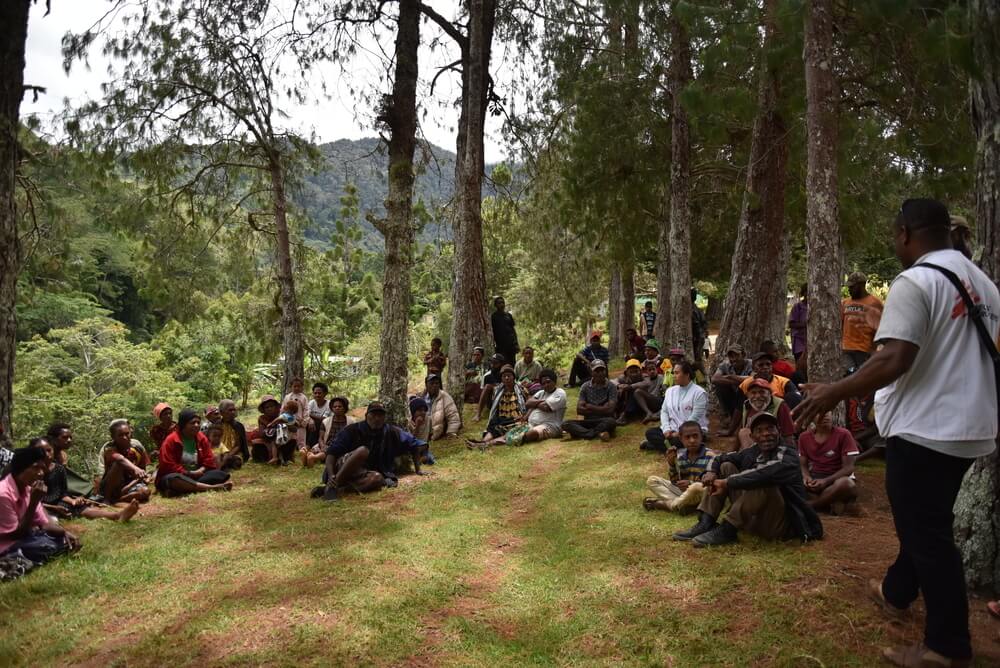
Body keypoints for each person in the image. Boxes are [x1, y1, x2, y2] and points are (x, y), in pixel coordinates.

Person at [793, 198, 999, 667]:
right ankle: (896, 589)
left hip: (926, 427)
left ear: (905, 232)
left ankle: (948, 648)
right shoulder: (982, 283)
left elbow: (894, 359)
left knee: (927, 533)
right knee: (923, 520)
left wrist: (833, 393)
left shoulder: (917, 279)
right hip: (969, 426)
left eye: (894, 235)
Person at [673, 412, 823, 548]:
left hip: (780, 524)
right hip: (753, 519)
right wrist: (711, 472)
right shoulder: (752, 452)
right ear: (753, 437)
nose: (766, 434)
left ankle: (728, 530)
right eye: (759, 430)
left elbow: (765, 473)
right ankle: (706, 521)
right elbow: (720, 457)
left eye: (770, 428)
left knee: (762, 481)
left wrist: (726, 482)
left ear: (778, 432)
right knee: (725, 466)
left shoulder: (788, 455)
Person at [320, 402, 429, 502]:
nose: (377, 418)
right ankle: (332, 487)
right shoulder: (352, 430)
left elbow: (415, 444)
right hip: (341, 468)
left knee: (377, 479)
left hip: (362, 473)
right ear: (367, 416)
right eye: (374, 415)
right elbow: (331, 453)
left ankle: (337, 489)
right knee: (362, 451)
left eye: (380, 415)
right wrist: (331, 475)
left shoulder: (390, 431)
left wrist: (418, 470)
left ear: (384, 418)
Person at [0, 446, 80, 565]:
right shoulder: (3, 494)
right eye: (36, 468)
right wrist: (33, 502)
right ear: (20, 469)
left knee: (61, 540)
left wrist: (63, 532)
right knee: (46, 546)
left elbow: (45, 523)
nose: (41, 473)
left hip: (26, 537)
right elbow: (16, 535)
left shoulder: (27, 489)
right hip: (7, 544)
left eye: (43, 468)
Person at [39, 435, 141, 522]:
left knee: (80, 508)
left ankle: (117, 516)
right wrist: (53, 508)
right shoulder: (32, 471)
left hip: (59, 504)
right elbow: (30, 500)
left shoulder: (59, 468)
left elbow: (62, 494)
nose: (46, 454)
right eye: (41, 451)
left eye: (49, 450)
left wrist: (73, 501)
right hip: (39, 506)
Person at [156, 409, 233, 496]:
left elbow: (208, 458)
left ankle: (184, 489)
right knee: (173, 479)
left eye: (198, 422)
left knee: (219, 474)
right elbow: (168, 465)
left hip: (198, 475)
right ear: (183, 425)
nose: (196, 425)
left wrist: (201, 470)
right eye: (192, 423)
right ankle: (213, 487)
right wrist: (189, 473)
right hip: (178, 475)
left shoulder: (201, 438)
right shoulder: (171, 440)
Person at [644, 421, 717, 512]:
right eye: (687, 437)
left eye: (695, 436)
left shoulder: (711, 455)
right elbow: (675, 481)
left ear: (701, 436)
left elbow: (712, 482)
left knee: (696, 487)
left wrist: (690, 483)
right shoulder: (680, 457)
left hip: (702, 494)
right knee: (652, 480)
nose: (692, 440)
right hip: (685, 493)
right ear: (681, 439)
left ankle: (667, 505)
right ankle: (685, 505)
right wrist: (672, 465)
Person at [798, 412, 860, 512]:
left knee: (846, 484)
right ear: (811, 417)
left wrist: (826, 481)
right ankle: (828, 502)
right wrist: (806, 477)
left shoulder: (843, 434)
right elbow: (803, 465)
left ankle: (813, 504)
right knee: (791, 479)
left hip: (836, 479)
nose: (825, 415)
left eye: (828, 412)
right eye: (820, 413)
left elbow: (849, 468)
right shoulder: (804, 437)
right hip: (815, 478)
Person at [641, 361, 708, 453]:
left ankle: (654, 445)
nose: (673, 376)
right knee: (650, 433)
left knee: (683, 439)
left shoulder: (699, 393)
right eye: (673, 373)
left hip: (691, 431)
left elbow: (694, 418)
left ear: (687, 375)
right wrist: (666, 429)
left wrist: (679, 433)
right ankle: (668, 445)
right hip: (672, 431)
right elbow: (664, 412)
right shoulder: (670, 391)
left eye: (676, 373)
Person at [466, 365, 528, 448]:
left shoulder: (521, 390)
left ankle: (484, 444)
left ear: (513, 377)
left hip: (515, 419)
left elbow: (528, 404)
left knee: (510, 429)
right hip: (501, 418)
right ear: (501, 378)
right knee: (494, 426)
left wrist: (525, 416)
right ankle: (483, 441)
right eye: (504, 376)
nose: (506, 378)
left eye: (509, 376)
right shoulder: (498, 390)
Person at [562, 360, 618, 441]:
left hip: (603, 420)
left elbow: (610, 410)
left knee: (611, 422)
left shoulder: (611, 386)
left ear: (605, 371)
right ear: (591, 372)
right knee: (566, 424)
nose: (600, 373)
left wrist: (590, 407)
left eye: (602, 370)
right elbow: (580, 410)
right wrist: (603, 408)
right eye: (596, 371)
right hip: (588, 421)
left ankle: (583, 433)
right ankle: (595, 433)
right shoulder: (585, 386)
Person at [99, 419, 152, 504]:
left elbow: (142, 472)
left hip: (130, 483)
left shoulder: (137, 447)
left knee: (145, 492)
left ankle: (119, 499)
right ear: (113, 437)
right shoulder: (109, 448)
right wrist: (135, 468)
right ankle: (107, 498)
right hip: (111, 484)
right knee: (118, 465)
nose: (125, 437)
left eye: (127, 434)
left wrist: (127, 488)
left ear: (131, 433)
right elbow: (119, 459)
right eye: (120, 435)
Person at [736, 378, 796, 451]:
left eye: (762, 392)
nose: (757, 396)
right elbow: (742, 429)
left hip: (775, 446)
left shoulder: (780, 405)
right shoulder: (747, 405)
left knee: (745, 433)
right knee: (744, 432)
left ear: (770, 394)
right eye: (753, 393)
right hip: (753, 446)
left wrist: (789, 454)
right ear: (748, 395)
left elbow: (788, 435)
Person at [841, 271, 883, 373]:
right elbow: (840, 324)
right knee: (848, 376)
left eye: (852, 287)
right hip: (846, 350)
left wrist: (875, 348)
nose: (849, 289)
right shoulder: (845, 302)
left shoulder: (875, 303)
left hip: (864, 351)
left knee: (863, 380)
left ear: (861, 285)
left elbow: (881, 327)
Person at [736, 352, 801, 409]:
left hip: (780, 414)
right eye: (761, 365)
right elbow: (739, 407)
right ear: (754, 368)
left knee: (793, 396)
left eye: (768, 364)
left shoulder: (784, 382)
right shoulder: (746, 384)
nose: (765, 367)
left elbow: (797, 398)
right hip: (756, 416)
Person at [306, 396, 358, 467]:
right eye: (335, 406)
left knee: (337, 453)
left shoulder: (351, 421)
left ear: (345, 408)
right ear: (332, 408)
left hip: (343, 446)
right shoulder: (326, 421)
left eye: (340, 406)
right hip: (327, 444)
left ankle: (314, 457)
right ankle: (311, 456)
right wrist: (323, 446)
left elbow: (354, 438)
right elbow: (321, 438)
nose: (337, 408)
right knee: (320, 449)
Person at [711, 344, 753, 429]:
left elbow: (753, 378)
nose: (733, 359)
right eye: (731, 356)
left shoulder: (751, 363)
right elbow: (714, 379)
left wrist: (732, 377)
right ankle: (729, 415)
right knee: (720, 387)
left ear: (743, 355)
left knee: (745, 388)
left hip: (747, 396)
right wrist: (737, 382)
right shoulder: (725, 364)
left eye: (737, 355)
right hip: (732, 395)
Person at [251, 395, 296, 464]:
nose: (270, 409)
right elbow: (262, 433)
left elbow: (294, 429)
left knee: (293, 440)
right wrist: (272, 432)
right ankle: (273, 457)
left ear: (276, 407)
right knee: (257, 445)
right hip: (268, 440)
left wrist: (286, 424)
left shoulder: (283, 416)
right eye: (267, 407)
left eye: (272, 406)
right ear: (263, 409)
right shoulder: (262, 418)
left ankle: (284, 457)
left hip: (283, 439)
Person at [613, 358, 655, 424]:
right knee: (619, 390)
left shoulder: (644, 376)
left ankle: (626, 414)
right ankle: (618, 412)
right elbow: (612, 381)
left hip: (642, 403)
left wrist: (631, 386)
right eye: (631, 372)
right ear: (626, 372)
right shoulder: (623, 377)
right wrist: (619, 385)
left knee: (632, 389)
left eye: (636, 371)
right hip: (627, 402)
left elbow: (647, 383)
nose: (634, 374)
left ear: (640, 371)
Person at [422, 374, 462, 440]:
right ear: (426, 385)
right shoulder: (421, 397)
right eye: (431, 383)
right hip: (422, 431)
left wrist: (451, 432)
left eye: (437, 383)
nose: (434, 385)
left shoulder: (445, 397)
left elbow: (453, 416)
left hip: (435, 432)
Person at [217, 399, 250, 468]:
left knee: (236, 461)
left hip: (234, 453)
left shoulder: (238, 426)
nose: (233, 412)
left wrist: (229, 455)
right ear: (221, 412)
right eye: (230, 410)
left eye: (234, 410)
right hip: (220, 452)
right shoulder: (217, 425)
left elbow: (238, 445)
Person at [474, 354, 506, 421]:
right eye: (492, 362)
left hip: (505, 400)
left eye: (495, 363)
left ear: (501, 364)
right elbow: (483, 391)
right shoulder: (487, 376)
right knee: (487, 387)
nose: (493, 365)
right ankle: (478, 414)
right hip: (491, 401)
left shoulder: (506, 374)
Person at [491, 296, 520, 365]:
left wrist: (516, 344)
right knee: (503, 363)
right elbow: (492, 332)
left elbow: (513, 330)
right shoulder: (493, 317)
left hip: (511, 345)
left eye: (502, 302)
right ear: (495, 305)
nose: (501, 304)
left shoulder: (508, 315)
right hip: (500, 347)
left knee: (512, 363)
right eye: (499, 303)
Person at [305, 382, 333, 448]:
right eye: (315, 393)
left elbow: (323, 419)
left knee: (317, 423)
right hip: (312, 426)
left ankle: (308, 445)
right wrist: (310, 420)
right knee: (305, 422)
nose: (317, 395)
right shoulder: (312, 402)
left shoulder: (329, 404)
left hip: (325, 426)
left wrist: (310, 416)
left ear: (325, 394)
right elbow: (306, 414)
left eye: (319, 393)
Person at [283, 377, 310, 446]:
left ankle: (302, 452)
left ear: (302, 387)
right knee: (290, 438)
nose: (297, 388)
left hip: (300, 422)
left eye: (299, 386)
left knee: (301, 440)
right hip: (289, 421)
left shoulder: (303, 397)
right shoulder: (287, 397)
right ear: (291, 387)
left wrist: (304, 421)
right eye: (295, 386)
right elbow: (283, 408)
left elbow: (306, 410)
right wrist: (283, 419)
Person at [789, 284, 808, 361]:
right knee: (800, 361)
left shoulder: (816, 306)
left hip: (810, 341)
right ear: (803, 293)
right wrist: (805, 324)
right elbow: (791, 324)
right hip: (799, 340)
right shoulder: (798, 307)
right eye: (807, 292)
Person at [691, 288, 708, 362]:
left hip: (696, 338)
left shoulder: (694, 310)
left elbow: (699, 325)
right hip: (699, 337)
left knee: (696, 359)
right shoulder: (698, 310)